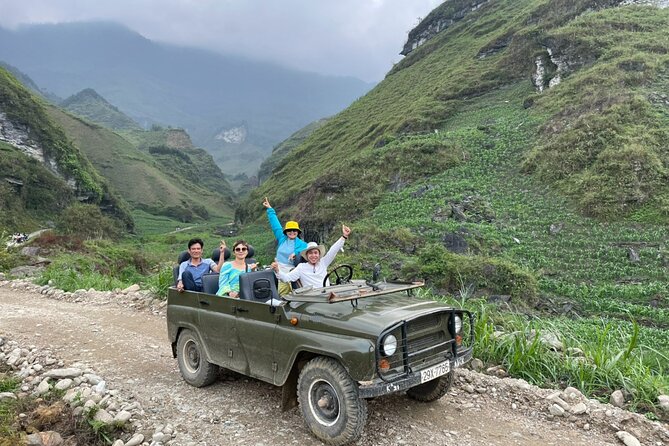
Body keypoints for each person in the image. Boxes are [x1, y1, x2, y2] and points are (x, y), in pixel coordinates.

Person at [271, 225, 351, 289]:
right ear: (307, 256)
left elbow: (333, 251)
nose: (313, 256)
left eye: (316, 253)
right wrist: (277, 270)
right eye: (310, 253)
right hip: (312, 299)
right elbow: (286, 278)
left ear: (319, 255)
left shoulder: (323, 263)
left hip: (327, 295)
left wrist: (344, 237)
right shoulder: (301, 267)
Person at [262, 197, 308, 295]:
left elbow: (306, 251)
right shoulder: (282, 239)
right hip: (279, 268)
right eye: (289, 230)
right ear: (286, 232)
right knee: (282, 292)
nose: (292, 232)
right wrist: (270, 209)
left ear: (298, 232)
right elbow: (275, 225)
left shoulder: (302, 244)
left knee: (293, 292)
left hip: (293, 271)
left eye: (294, 230)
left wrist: (296, 253)